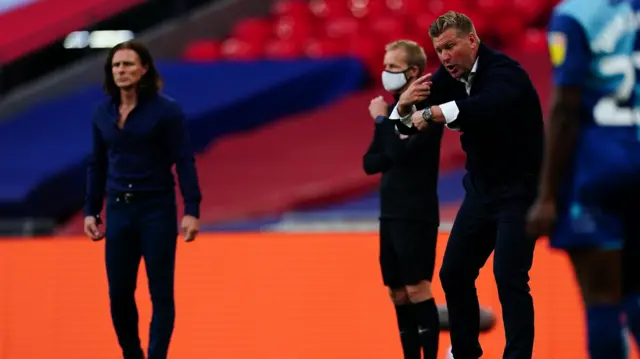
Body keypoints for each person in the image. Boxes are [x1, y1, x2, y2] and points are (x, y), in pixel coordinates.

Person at [389, 11, 544, 359]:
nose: (444, 57)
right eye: (438, 50)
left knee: (510, 276)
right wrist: (402, 107)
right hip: (481, 189)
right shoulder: (448, 77)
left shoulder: (506, 74)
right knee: (454, 272)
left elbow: (483, 107)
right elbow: (404, 126)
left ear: (471, 40)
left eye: (450, 46)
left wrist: (431, 114)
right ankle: (465, 352)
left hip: (520, 190)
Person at [363, 39, 496, 359]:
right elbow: (372, 163)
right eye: (385, 67)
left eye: (393, 67)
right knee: (397, 293)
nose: (386, 73)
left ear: (413, 72)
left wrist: (382, 122)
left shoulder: (426, 112)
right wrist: (387, 125)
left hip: (416, 212)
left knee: (416, 289)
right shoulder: (395, 110)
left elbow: (397, 153)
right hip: (390, 212)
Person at [526, 0, 640, 358]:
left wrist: (546, 194)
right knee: (636, 289)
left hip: (599, 166)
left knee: (602, 298)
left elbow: (565, 108)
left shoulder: (575, 14)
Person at [83, 40, 202, 359]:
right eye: (116, 66)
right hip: (119, 210)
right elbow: (97, 163)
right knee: (119, 294)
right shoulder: (101, 113)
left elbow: (184, 159)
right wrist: (91, 210)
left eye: (128, 64)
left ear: (144, 69)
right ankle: (132, 354)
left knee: (160, 293)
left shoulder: (167, 111)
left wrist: (191, 209)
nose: (121, 71)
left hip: (156, 210)